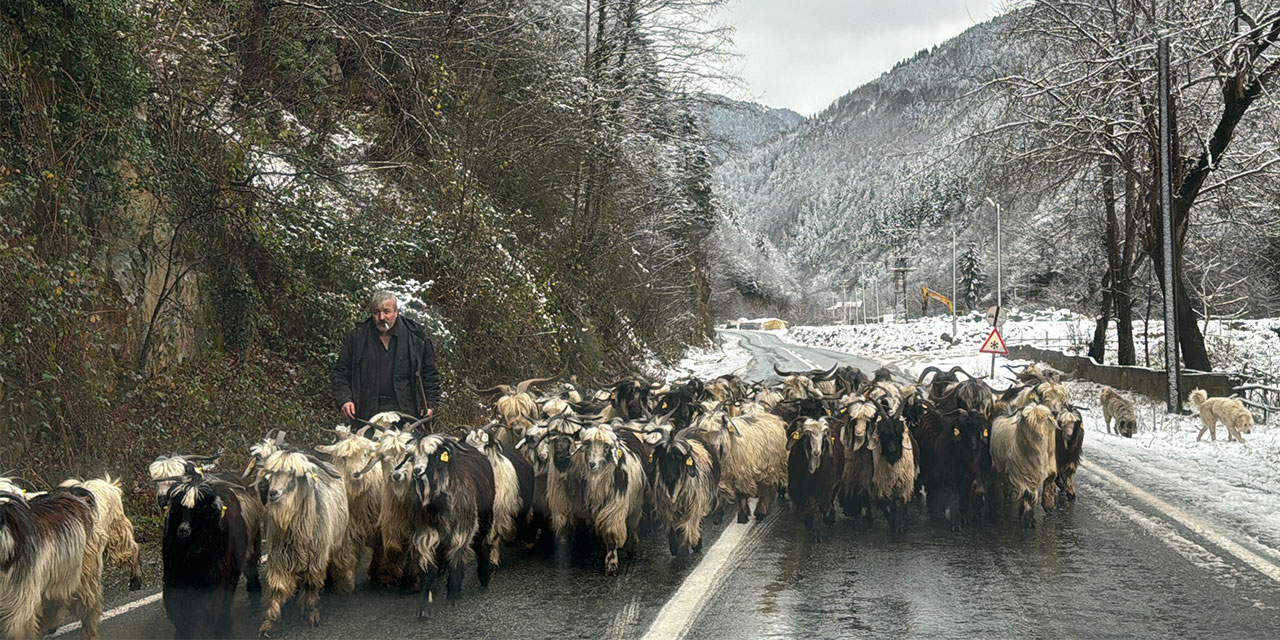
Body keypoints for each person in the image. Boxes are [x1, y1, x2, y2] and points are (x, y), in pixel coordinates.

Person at [333, 290, 440, 422]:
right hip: (367, 413)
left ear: (396, 312)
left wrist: (430, 403)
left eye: (386, 311)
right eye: (376, 312)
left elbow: (430, 374)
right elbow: (341, 372)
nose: (381, 317)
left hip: (408, 413)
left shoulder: (416, 337)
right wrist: (345, 399)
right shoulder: (357, 337)